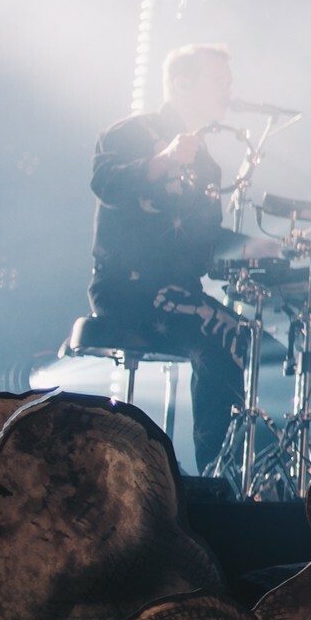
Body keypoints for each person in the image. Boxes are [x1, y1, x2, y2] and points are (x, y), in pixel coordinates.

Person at [88, 43, 250, 472]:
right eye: (219, 80)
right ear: (182, 83)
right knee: (222, 333)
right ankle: (216, 475)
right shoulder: (129, 133)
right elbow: (105, 183)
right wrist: (164, 160)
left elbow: (206, 243)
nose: (229, 90)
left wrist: (254, 248)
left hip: (178, 292)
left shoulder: (209, 166)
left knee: (245, 337)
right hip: (127, 288)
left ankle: (230, 470)